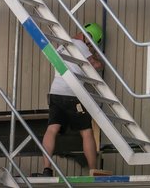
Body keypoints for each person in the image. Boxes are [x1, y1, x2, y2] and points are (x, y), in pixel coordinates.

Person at [37, 23, 105, 177]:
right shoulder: (80, 45)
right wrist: (98, 59)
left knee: (52, 129)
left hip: (55, 92)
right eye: (93, 44)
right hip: (73, 94)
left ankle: (47, 169)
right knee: (87, 132)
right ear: (90, 39)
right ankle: (93, 170)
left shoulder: (62, 45)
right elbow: (96, 65)